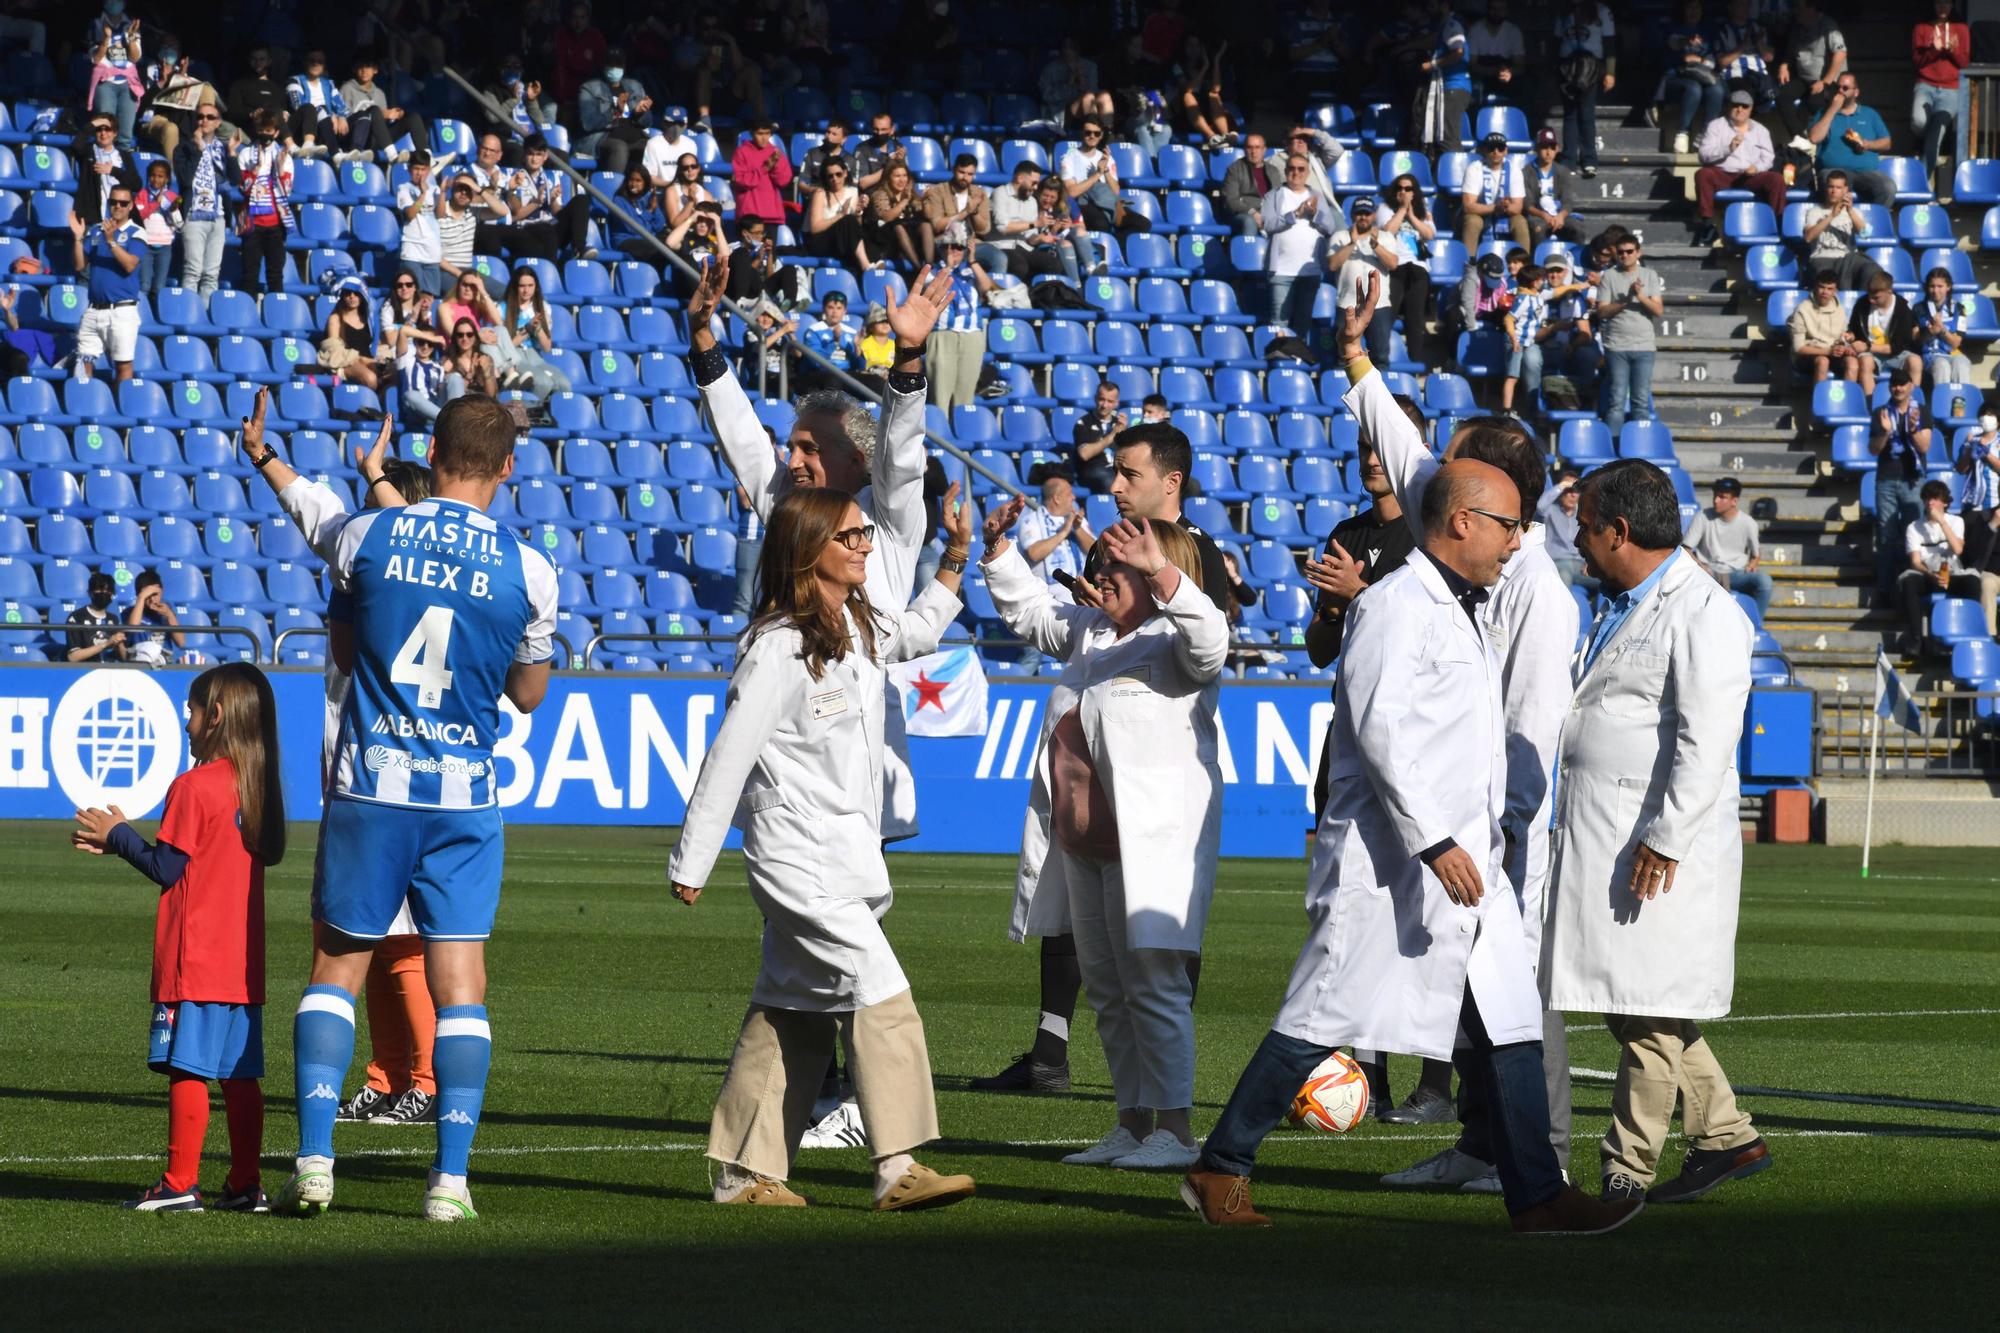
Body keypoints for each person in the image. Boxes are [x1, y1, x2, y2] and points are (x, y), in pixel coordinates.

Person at [1185, 455, 1628, 1235]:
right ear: (1461, 521)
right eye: (1507, 524)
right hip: (1392, 868)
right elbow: (1383, 730)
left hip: (1467, 866)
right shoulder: (1395, 605)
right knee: (1320, 1014)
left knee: (1512, 1019)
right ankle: (1220, 1164)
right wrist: (1435, 843)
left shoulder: (1461, 606)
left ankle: (1537, 1193)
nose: (1517, 541)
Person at [263, 393, 559, 1223]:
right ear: (508, 466)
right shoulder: (529, 569)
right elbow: (530, 694)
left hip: (371, 786)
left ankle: (316, 1164)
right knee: (460, 984)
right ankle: (450, 1183)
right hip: (463, 795)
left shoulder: (368, 535)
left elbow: (349, 651)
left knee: (337, 971)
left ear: (430, 451)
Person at [687, 255, 954, 1155]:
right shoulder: (795, 522)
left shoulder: (883, 532)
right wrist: (707, 351)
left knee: (797, 981)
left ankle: (750, 1153)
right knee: (855, 967)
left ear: (852, 464)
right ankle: (895, 1149)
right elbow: (744, 446)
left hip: (858, 784)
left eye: (810, 449)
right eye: (794, 448)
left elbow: (907, 461)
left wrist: (906, 367)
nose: (791, 459)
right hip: (798, 792)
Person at [1333, 278, 1584, 1193]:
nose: (1436, 470)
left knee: (1513, 999)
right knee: (1468, 996)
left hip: (1499, 825)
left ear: (1494, 493)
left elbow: (1530, 725)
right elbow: (1403, 450)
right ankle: (1481, 1145)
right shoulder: (1463, 532)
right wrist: (1357, 353)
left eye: (1457, 463)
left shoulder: (1540, 595)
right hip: (1454, 819)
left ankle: (1540, 1148)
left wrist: (1504, 830)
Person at [666, 486, 975, 1211]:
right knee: (879, 986)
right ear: (810, 553)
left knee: (793, 1011)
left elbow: (921, 631)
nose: (867, 543)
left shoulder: (857, 625)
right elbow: (728, 757)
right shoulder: (776, 647)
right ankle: (897, 1164)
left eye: (865, 533)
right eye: (851, 536)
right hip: (797, 860)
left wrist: (956, 556)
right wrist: (692, 860)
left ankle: (744, 1175)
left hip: (845, 856)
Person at [971, 420, 1230, 1095]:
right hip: (1087, 839)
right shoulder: (1094, 628)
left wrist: (1160, 575)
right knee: (1110, 984)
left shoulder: (1175, 631)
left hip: (1147, 834)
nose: (1100, 575)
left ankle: (1169, 1121)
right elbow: (1035, 617)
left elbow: (1211, 641)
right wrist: (996, 549)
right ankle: (1130, 1120)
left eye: (1116, 568)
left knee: (1153, 982)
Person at [1544, 458, 1769, 1207]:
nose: (1575, 534)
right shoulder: (1620, 600)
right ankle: (1726, 1135)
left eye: (1584, 522)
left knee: (1645, 1009)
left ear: (1619, 529)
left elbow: (1708, 740)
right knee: (1630, 997)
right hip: (1611, 832)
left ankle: (1626, 1168)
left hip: (1661, 844)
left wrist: (1668, 837)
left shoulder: (1704, 611)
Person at [71, 661, 284, 1213]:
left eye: (191, 710)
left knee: (188, 1067)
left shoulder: (194, 785)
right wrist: (122, 840)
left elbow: (167, 869)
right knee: (240, 1075)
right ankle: (244, 1184)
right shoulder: (255, 785)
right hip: (242, 963)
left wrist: (118, 836)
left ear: (214, 717)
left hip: (198, 957)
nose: (185, 721)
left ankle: (179, 1183)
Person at [1897, 479, 1983, 655]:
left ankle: (1968, 635)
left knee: (1973, 582)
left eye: (1935, 498)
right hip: (1927, 572)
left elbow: (1958, 549)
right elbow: (1915, 561)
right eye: (1927, 498)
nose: (1930, 502)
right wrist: (1930, 574)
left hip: (1952, 571)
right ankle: (1916, 639)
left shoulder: (1956, 521)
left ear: (1944, 502)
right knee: (1909, 582)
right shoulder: (1913, 527)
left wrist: (1942, 522)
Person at [1870, 369, 1934, 604]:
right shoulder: (1880, 413)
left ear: (1911, 386)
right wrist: (1885, 433)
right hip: (1886, 478)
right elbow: (1874, 449)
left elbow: (1924, 447)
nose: (1897, 388)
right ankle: (1885, 589)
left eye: (1902, 384)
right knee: (1885, 535)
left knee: (1913, 534)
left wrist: (1913, 429)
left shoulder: (1921, 412)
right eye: (1894, 384)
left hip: (1913, 479)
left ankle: (1912, 590)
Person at [1692, 89, 1783, 249]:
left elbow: (1768, 158)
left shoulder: (1761, 130)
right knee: (1703, 174)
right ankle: (1707, 226)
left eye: (1744, 106)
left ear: (1751, 108)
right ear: (1729, 106)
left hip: (1750, 176)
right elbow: (1703, 156)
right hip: (1723, 174)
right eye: (1735, 105)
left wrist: (1756, 168)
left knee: (1776, 179)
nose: (1740, 109)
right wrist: (1728, 148)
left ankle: (1777, 225)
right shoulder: (1716, 126)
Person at [67, 189, 141, 384]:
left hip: (122, 310)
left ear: (130, 206)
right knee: (83, 362)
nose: (118, 206)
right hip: (94, 309)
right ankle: (84, 406)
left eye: (123, 203)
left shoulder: (137, 232)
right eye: (114, 202)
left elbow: (129, 265)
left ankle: (122, 409)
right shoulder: (96, 230)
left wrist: (111, 241)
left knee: (123, 365)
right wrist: (77, 238)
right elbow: (79, 265)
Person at [1595, 234, 1664, 437]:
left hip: (1644, 346)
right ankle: (1612, 449)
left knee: (1640, 402)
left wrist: (1640, 296)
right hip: (1617, 346)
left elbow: (1658, 310)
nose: (1625, 255)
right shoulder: (1609, 276)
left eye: (1629, 251)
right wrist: (1626, 301)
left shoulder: (1649, 275)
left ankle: (1641, 450)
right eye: (1621, 252)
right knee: (1616, 401)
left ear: (1638, 252)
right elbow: (1602, 311)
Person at [1261, 154, 1340, 332]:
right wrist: (1295, 214)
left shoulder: (1317, 196)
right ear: (1286, 171)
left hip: (1310, 272)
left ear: (1308, 172)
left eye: (1301, 169)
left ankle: (1298, 359)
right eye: (1292, 169)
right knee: (1279, 324)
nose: (1296, 173)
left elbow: (1330, 227)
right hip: (1281, 271)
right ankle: (1280, 358)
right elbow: (1268, 224)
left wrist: (1314, 215)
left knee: (1303, 322)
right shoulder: (1273, 196)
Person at [926, 237, 995, 415]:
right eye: (947, 247)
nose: (952, 251)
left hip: (971, 335)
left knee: (965, 392)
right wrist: (948, 268)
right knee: (940, 392)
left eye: (957, 247)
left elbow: (987, 287)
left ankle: (961, 433)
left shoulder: (971, 272)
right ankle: (940, 436)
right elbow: (931, 291)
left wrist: (972, 261)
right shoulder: (932, 272)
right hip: (943, 334)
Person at [1327, 197, 1400, 365]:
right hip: (1347, 304)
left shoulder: (1386, 237)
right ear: (1352, 215)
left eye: (1367, 213)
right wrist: (1352, 243)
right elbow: (1332, 265)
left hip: (1379, 305)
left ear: (1374, 216)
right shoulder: (1340, 236)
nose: (1363, 217)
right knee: (1344, 356)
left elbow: (1393, 264)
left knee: (1380, 357)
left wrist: (1375, 245)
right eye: (1359, 213)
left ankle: (1378, 392)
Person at [1686, 477, 1772, 618]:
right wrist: (1700, 566)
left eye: (1722, 497)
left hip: (1736, 574)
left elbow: (1756, 554)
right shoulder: (1702, 517)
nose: (1716, 500)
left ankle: (1754, 625)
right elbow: (1686, 548)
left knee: (1764, 581)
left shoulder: (1748, 523)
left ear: (1734, 501)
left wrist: (1752, 564)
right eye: (1715, 496)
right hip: (1708, 572)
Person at [172, 102, 235, 296]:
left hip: (218, 215)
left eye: (210, 117)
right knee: (193, 271)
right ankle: (189, 316)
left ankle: (206, 320)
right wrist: (199, 149)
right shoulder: (183, 148)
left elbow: (235, 180)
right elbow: (185, 179)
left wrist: (232, 154)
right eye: (200, 116)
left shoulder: (223, 150)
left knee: (211, 274)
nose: (204, 120)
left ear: (218, 123)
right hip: (194, 214)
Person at [502, 135, 594, 263]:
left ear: (545, 156)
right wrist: (536, 203)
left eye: (538, 154)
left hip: (550, 227)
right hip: (527, 229)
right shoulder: (514, 177)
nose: (534, 159)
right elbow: (514, 217)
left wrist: (553, 200)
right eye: (530, 154)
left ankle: (578, 248)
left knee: (581, 200)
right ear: (524, 155)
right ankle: (552, 271)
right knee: (546, 229)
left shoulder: (552, 176)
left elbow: (557, 213)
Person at [1808, 73, 1894, 207]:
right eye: (1838, 87)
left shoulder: (1870, 114)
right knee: (1831, 183)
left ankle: (1872, 225)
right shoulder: (1824, 112)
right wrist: (1833, 109)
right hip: (1834, 171)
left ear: (1856, 92)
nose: (1840, 91)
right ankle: (1835, 223)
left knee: (1888, 187)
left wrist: (1868, 144)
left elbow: (1887, 142)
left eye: (1845, 88)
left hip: (1866, 173)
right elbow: (1814, 138)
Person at [234, 110, 293, 298]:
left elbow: (287, 191)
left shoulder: (284, 156)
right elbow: (243, 188)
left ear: (276, 132)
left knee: (275, 275)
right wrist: (256, 168)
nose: (264, 134)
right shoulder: (245, 154)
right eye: (261, 129)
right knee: (249, 275)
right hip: (252, 224)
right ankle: (247, 314)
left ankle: (277, 316)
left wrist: (281, 170)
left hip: (276, 224)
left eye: (269, 130)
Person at [1378, 173, 1435, 365]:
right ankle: (1381, 360)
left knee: (1415, 318)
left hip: (1417, 268)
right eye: (1400, 188)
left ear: (1414, 192)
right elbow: (1387, 232)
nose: (1403, 191)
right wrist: (1402, 210)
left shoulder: (1422, 211)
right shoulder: (1385, 209)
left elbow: (1429, 234)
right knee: (1388, 314)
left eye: (1408, 188)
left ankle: (1415, 363)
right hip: (1395, 267)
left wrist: (1411, 215)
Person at [1557, 0, 1617, 180]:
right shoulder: (1564, 12)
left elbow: (1610, 43)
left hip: (1590, 67)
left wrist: (1610, 72)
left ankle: (1589, 159)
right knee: (1570, 114)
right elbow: (1556, 40)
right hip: (1567, 66)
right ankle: (1569, 160)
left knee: (1586, 114)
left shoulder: (1602, 11)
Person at [1061, 117, 1147, 241]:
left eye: (1096, 133)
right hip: (1083, 202)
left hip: (1106, 200)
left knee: (1143, 224)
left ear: (1101, 136)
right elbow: (1071, 192)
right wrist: (1097, 174)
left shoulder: (1107, 158)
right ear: (1082, 133)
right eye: (1088, 133)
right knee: (1101, 224)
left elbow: (1116, 192)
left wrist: (1105, 171)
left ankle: (1116, 248)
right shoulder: (1068, 158)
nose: (1092, 136)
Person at [1913, 0, 1970, 183]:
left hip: (1950, 89)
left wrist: (1952, 50)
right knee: (1919, 122)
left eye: (1947, 3)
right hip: (1926, 84)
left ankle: (1920, 181)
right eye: (1939, 3)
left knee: (1935, 137)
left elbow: (1964, 63)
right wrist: (1933, 50)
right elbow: (1917, 62)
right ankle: (1924, 141)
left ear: (1953, 6)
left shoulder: (1961, 28)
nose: (1942, 7)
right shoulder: (1921, 28)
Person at [1954, 415, 2000, 635]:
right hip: (1974, 508)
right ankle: (1988, 638)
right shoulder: (1972, 439)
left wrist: (1986, 451)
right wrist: (1968, 448)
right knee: (1981, 576)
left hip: (1990, 502)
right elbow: (1961, 469)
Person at [1773, 0, 1846, 138]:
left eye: (1799, 7)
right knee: (1782, 95)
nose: (1796, 11)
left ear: (1811, 8)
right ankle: (1799, 138)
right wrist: (1784, 65)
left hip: (1825, 79)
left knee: (1814, 102)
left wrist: (1825, 82)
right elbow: (1790, 50)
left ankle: (1818, 137)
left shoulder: (1827, 25)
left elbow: (1840, 53)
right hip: (1804, 78)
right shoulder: (1797, 27)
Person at [1658, 0, 1722, 156]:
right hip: (1675, 79)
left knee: (1717, 90)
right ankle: (1682, 133)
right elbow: (1674, 42)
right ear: (1683, 10)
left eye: (1697, 8)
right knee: (1694, 88)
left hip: (1701, 76)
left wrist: (1698, 60)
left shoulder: (1706, 33)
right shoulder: (1672, 28)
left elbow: (1712, 62)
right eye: (1690, 8)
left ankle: (1706, 135)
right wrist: (1686, 42)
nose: (1694, 12)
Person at [575, 51, 653, 177]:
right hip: (603, 138)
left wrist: (638, 114)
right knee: (619, 147)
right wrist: (615, 111)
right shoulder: (589, 88)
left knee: (652, 145)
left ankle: (646, 190)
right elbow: (588, 123)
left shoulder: (634, 86)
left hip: (634, 136)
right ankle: (614, 191)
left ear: (624, 67)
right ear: (603, 66)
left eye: (618, 65)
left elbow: (648, 121)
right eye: (611, 64)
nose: (615, 68)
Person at [1846, 272, 1921, 401]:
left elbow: (1897, 347)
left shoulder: (1902, 308)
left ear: (1889, 292)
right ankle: (1870, 404)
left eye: (1876, 297)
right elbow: (1854, 330)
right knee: (1865, 362)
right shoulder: (1862, 304)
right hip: (1870, 354)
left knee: (1915, 362)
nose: (1871, 300)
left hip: (1893, 352)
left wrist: (1868, 346)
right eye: (1869, 296)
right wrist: (1850, 336)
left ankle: (1912, 404)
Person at [922, 155, 998, 272]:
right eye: (962, 172)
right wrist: (965, 212)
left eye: (970, 174)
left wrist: (974, 213)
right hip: (946, 242)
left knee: (999, 258)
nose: (965, 177)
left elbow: (984, 229)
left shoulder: (979, 193)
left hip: (971, 244)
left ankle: (994, 290)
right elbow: (937, 225)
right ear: (953, 170)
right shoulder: (938, 191)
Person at [1461, 132, 1529, 253]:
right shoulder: (1474, 168)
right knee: (1472, 221)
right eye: (1492, 148)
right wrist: (1495, 208)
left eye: (1500, 148)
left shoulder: (1514, 170)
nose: (1496, 151)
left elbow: (1518, 207)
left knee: (1520, 222)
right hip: (1480, 214)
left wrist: (1507, 207)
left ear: (1506, 151)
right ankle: (1469, 264)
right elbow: (1468, 207)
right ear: (1484, 150)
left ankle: (1523, 265)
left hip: (1505, 213)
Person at [72, 115, 139, 228]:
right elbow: (76, 144)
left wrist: (113, 171)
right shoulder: (88, 151)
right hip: (94, 217)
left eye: (107, 129)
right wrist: (93, 124)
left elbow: (136, 184)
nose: (103, 133)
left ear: (115, 133)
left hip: (120, 218)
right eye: (99, 129)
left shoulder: (124, 156)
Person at [804, 158, 868, 272]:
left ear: (845, 173)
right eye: (830, 176)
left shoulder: (853, 192)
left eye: (838, 174)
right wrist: (840, 215)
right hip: (820, 240)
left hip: (842, 240)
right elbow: (815, 228)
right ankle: (866, 266)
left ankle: (866, 271)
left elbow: (856, 228)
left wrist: (859, 213)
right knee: (848, 219)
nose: (835, 179)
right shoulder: (820, 193)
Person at [1785, 269, 1847, 386]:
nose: (1825, 292)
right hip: (1806, 355)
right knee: (1823, 361)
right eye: (1822, 287)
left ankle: (1849, 401)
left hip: (1831, 352)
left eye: (1830, 289)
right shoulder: (1802, 309)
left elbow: (1842, 336)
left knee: (1852, 363)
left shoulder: (1840, 309)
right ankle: (1818, 403)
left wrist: (1843, 345)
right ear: (1815, 287)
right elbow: (1799, 348)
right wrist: (1828, 351)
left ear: (1836, 291)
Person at [1916, 267, 1976, 389]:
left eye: (1940, 286)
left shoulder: (1959, 309)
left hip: (1952, 353)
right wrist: (1931, 331)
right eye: (1932, 286)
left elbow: (1956, 343)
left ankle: (1961, 401)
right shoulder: (1918, 309)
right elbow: (1916, 342)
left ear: (1948, 287)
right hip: (1930, 354)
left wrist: (1942, 329)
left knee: (1962, 363)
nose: (1935, 290)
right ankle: (1941, 403)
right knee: (1942, 365)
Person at [394, 151, 443, 296]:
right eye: (416, 169)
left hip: (432, 250)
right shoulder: (404, 189)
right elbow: (409, 214)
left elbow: (440, 214)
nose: (420, 173)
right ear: (409, 169)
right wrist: (422, 195)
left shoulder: (435, 190)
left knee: (430, 297)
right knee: (413, 294)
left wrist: (443, 193)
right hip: (412, 251)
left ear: (428, 170)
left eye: (423, 169)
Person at [1523, 129, 1582, 249]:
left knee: (1578, 230)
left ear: (1557, 149)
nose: (1548, 152)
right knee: (1538, 230)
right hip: (1539, 216)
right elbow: (1528, 204)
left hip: (1560, 216)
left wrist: (1560, 216)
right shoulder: (1527, 171)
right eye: (1544, 147)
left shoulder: (1563, 171)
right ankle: (1538, 264)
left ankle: (1576, 261)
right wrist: (1544, 216)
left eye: (1552, 147)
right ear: (1537, 149)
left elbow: (1567, 201)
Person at [129, 160, 180, 296]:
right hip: (145, 245)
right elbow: (139, 216)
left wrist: (173, 210)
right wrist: (155, 204)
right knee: (144, 284)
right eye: (153, 175)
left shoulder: (172, 197)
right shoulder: (142, 195)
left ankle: (158, 315)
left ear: (167, 179)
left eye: (160, 176)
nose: (156, 179)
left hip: (165, 246)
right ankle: (143, 313)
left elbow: (178, 224)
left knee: (160, 286)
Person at [321, 281, 383, 392]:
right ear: (343, 297)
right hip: (347, 362)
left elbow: (375, 344)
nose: (352, 296)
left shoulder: (368, 319)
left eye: (356, 293)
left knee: (395, 374)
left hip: (368, 360)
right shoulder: (335, 319)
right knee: (371, 378)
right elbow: (334, 350)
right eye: (348, 293)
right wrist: (360, 358)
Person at [732, 120, 793, 231]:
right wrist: (765, 168)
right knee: (747, 249)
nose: (764, 138)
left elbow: (783, 181)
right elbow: (741, 181)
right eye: (760, 134)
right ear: (751, 133)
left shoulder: (775, 152)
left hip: (772, 216)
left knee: (769, 249)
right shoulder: (741, 152)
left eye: (767, 133)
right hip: (749, 217)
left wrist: (775, 166)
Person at [867, 160, 928, 268]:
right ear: (888, 178)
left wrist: (926, 200)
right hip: (887, 240)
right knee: (898, 227)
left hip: (910, 239)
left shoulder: (912, 195)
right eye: (897, 176)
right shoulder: (880, 194)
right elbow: (887, 217)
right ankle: (919, 269)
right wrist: (904, 201)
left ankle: (929, 267)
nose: (902, 180)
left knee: (926, 225)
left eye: (904, 176)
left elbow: (926, 215)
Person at [1539, 470, 1594, 590]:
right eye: (1568, 491)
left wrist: (1589, 562)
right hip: (1558, 562)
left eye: (1576, 491)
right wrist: (1561, 485)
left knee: (1610, 579)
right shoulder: (1551, 510)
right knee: (1565, 572)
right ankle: (1561, 609)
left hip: (1580, 565)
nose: (1573, 495)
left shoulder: (1583, 514)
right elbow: (1540, 507)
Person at [1221, 133, 1283, 236]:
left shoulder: (1273, 171)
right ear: (1244, 149)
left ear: (1264, 150)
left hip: (1268, 213)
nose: (1253, 152)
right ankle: (1248, 251)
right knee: (1249, 221)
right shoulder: (1234, 169)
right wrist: (1252, 212)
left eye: (1257, 147)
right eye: (1250, 147)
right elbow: (1231, 200)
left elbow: (1278, 198)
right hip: (1243, 214)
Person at [1070, 379, 1125, 494]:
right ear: (1095, 398)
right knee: (1111, 481)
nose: (1105, 405)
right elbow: (1084, 454)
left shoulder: (1120, 424)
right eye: (1101, 399)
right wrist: (1113, 435)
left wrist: (1127, 434)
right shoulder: (1084, 423)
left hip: (1116, 469)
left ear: (1116, 403)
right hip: (1093, 471)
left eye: (1110, 401)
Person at [123, 568, 187, 666]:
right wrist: (141, 597)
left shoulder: (166, 611)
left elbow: (181, 642)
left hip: (164, 663)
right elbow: (133, 628)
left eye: (155, 594)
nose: (152, 599)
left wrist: (170, 615)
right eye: (148, 595)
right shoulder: (130, 612)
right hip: (140, 663)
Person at [1467, 0, 1525, 100]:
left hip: (1505, 74)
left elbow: (1520, 65)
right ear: (1487, 10)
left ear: (1506, 11)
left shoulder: (1513, 31)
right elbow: (1472, 64)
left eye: (1501, 9)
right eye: (1493, 9)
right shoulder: (1475, 30)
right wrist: (1494, 71)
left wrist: (1509, 73)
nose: (1497, 13)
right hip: (1482, 75)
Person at [67, 571, 130, 661]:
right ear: (90, 593)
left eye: (108, 591)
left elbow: (125, 658)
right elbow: (73, 657)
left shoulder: (114, 619)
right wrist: (106, 644)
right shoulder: (77, 617)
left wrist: (120, 644)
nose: (104, 593)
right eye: (100, 590)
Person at [641, 105, 702, 188]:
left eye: (680, 124)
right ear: (664, 123)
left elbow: (693, 173)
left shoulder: (690, 144)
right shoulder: (653, 144)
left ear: (685, 125)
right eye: (672, 123)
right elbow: (649, 176)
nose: (676, 128)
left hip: (686, 189)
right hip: (662, 189)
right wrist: (671, 186)